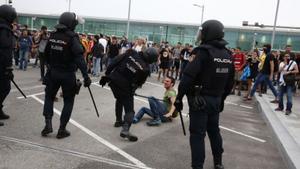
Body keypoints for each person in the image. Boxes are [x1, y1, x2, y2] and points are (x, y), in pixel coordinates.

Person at [174, 20, 234, 169]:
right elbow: (230, 82)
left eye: (202, 31)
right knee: (214, 131)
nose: (200, 34)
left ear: (208, 32)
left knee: (197, 135)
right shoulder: (227, 54)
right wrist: (222, 99)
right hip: (216, 99)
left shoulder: (201, 52)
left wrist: (179, 97)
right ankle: (218, 163)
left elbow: (187, 77)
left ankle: (197, 166)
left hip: (199, 100)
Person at [41, 12, 91, 139]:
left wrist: (50, 67)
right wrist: (86, 76)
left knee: (49, 97)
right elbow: (79, 58)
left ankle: (48, 124)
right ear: (71, 24)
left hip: (53, 72)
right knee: (68, 101)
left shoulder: (53, 35)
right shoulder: (72, 37)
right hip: (68, 74)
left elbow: (45, 54)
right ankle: (61, 129)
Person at [100, 47, 158, 142]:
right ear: (151, 59)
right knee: (130, 111)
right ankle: (125, 130)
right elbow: (139, 83)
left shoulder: (131, 53)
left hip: (113, 81)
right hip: (125, 87)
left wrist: (107, 75)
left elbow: (114, 61)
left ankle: (118, 121)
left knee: (119, 99)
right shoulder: (145, 69)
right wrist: (132, 90)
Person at [0, 4, 17, 127]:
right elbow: (5, 50)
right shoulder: (4, 29)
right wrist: (8, 67)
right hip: (1, 65)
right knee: (4, 88)